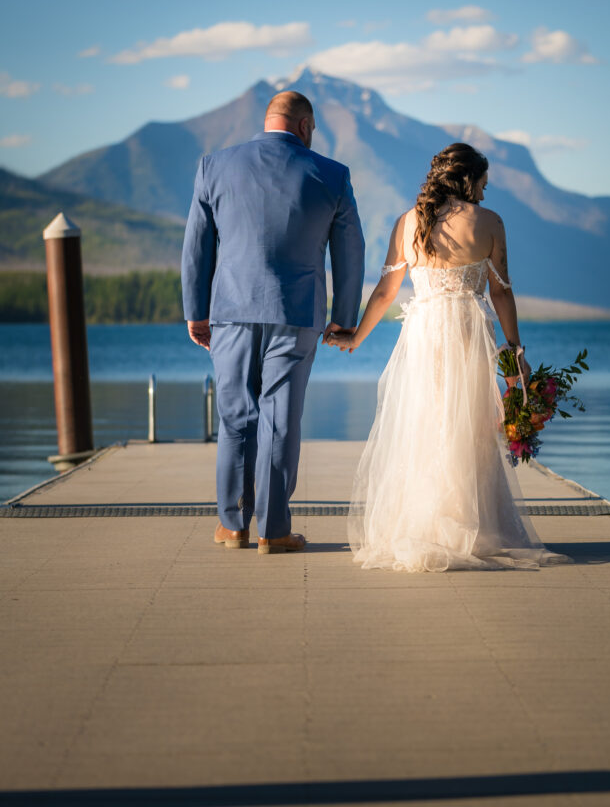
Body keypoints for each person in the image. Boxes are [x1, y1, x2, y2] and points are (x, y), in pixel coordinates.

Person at [327, 143, 570, 572]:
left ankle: (424, 526)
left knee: (424, 424)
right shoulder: (490, 222)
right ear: (469, 179)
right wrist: (515, 355)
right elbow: (501, 293)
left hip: (422, 335)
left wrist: (357, 338)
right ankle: (474, 526)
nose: (485, 192)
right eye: (483, 183)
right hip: (466, 334)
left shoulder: (408, 222)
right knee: (469, 426)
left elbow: (386, 293)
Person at [182, 91, 365, 554]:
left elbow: (196, 248)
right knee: (280, 419)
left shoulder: (214, 166)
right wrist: (344, 320)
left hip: (230, 312)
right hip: (296, 313)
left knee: (235, 418)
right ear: (304, 126)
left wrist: (196, 311)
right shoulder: (332, 174)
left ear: (269, 121)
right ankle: (274, 531)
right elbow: (350, 252)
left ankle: (232, 526)